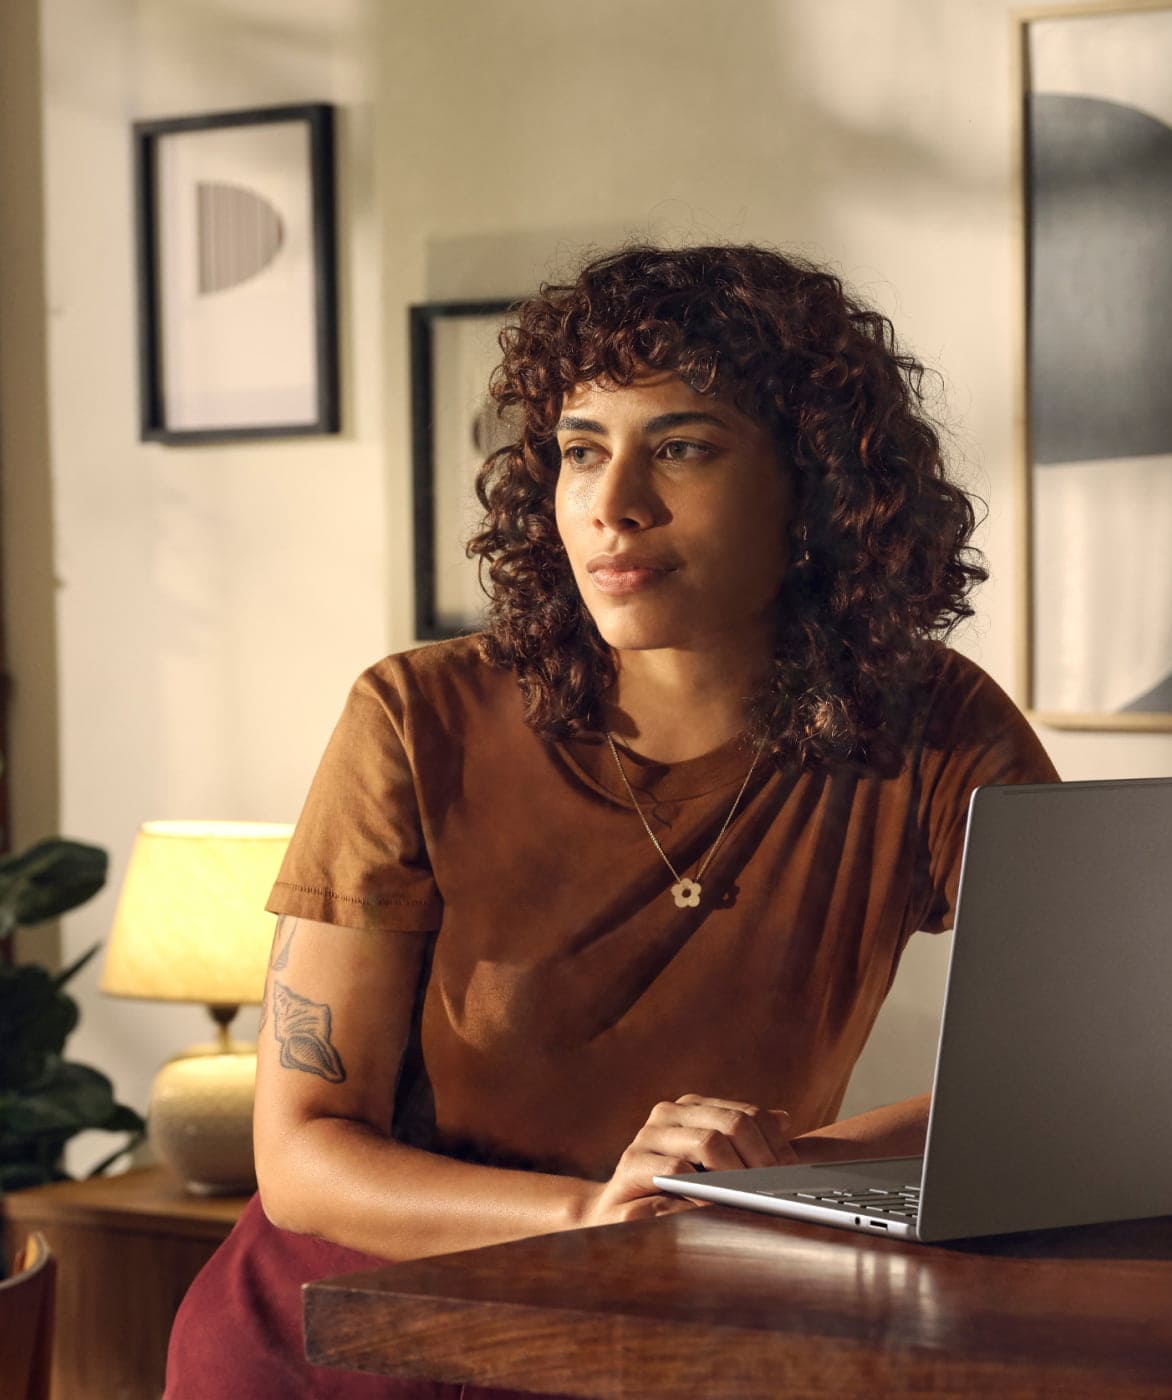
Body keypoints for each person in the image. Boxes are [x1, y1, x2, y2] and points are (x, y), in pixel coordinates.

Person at [165, 244, 1058, 1398]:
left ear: (813, 489)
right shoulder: (416, 715)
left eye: (680, 447)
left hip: (663, 1337)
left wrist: (763, 1169)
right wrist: (596, 1211)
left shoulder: (931, 727)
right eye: (582, 450)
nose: (613, 502)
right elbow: (300, 1156)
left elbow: (1071, 1077)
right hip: (342, 1339)